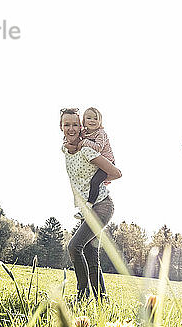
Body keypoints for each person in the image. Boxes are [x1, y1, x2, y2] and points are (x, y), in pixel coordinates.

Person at [60, 108, 122, 300]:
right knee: (90, 254)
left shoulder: (88, 149)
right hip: (88, 209)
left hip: (101, 206)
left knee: (74, 247)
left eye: (75, 125)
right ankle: (102, 300)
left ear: (81, 127)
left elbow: (116, 173)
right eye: (66, 125)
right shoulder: (65, 148)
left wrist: (101, 180)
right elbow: (68, 146)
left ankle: (82, 295)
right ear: (60, 127)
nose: (71, 129)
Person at [70, 107, 116, 220]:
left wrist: (85, 142)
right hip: (94, 163)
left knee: (94, 182)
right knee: (85, 183)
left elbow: (98, 148)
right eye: (89, 118)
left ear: (100, 121)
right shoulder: (84, 133)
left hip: (106, 162)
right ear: (83, 121)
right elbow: (75, 139)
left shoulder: (101, 133)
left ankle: (89, 206)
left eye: (95, 118)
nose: (92, 120)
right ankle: (85, 208)